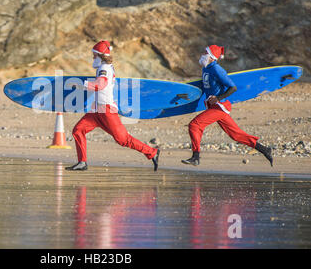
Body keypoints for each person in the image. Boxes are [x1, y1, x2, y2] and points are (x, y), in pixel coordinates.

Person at [65, 40, 160, 171]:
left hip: (107, 111)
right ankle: (82, 162)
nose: (93, 57)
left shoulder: (104, 69)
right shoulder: (104, 67)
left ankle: (152, 152)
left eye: (94, 55)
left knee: (123, 139)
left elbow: (100, 85)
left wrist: (81, 85)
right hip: (97, 111)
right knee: (78, 130)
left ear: (100, 55)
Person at [181, 45, 273, 167]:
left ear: (212, 57)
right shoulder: (206, 69)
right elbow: (205, 87)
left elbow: (233, 87)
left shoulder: (217, 69)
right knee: (236, 135)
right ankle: (265, 150)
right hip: (213, 107)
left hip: (219, 106)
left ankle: (195, 157)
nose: (202, 54)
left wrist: (218, 98)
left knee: (195, 125)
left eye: (205, 53)